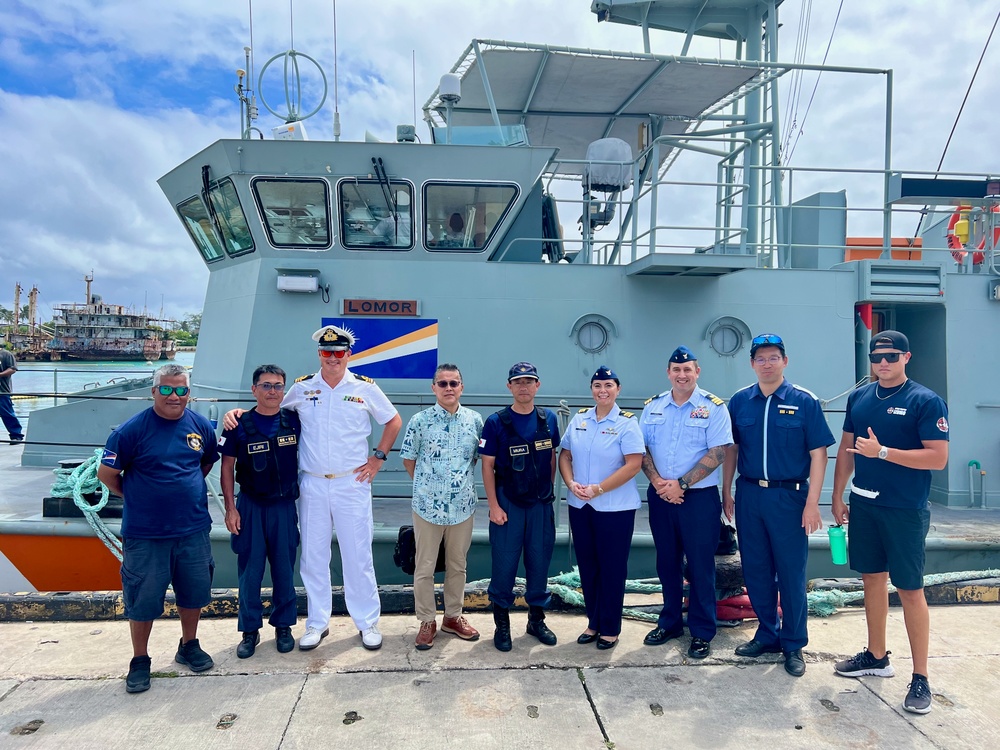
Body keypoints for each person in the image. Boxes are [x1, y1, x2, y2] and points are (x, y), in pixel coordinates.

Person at [249, 325, 402, 652]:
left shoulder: (364, 388)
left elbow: (392, 421)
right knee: (313, 556)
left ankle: (367, 622)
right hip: (313, 483)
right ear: (319, 354)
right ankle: (317, 623)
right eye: (326, 352)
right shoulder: (302, 388)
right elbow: (273, 411)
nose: (332, 358)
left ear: (349, 354)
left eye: (339, 352)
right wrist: (238, 415)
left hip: (352, 481)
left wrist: (377, 458)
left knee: (357, 555)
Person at [831, 330, 949, 715]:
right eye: (878, 357)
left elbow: (937, 458)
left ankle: (921, 676)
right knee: (871, 579)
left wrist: (882, 452)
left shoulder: (926, 401)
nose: (884, 363)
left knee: (910, 589)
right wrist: (836, 495)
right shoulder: (859, 397)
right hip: (864, 506)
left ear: (907, 357)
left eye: (892, 356)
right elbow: (847, 450)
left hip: (905, 509)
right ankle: (877, 656)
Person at [96, 364, 219, 694]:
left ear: (189, 393)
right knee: (143, 599)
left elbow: (205, 461)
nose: (174, 396)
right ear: (153, 392)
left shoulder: (201, 426)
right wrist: (137, 495)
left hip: (192, 529)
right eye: (166, 389)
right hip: (146, 532)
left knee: (193, 594)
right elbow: (107, 475)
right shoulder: (130, 431)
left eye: (181, 390)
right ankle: (140, 660)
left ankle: (188, 645)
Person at [722, 333, 835, 676]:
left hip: (790, 497)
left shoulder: (804, 401)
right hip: (750, 494)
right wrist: (726, 491)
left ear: (785, 361)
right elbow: (732, 450)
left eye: (774, 357)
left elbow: (819, 454)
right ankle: (767, 633)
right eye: (761, 358)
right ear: (752, 364)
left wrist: (813, 502)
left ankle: (793, 643)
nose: (767, 364)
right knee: (755, 570)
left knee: (790, 571)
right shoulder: (740, 401)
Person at [639, 346, 733, 659]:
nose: (682, 375)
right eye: (676, 370)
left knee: (700, 565)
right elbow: (642, 451)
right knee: (666, 562)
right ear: (668, 373)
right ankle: (670, 622)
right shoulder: (653, 407)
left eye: (688, 370)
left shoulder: (714, 407)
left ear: (697, 372)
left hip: (699, 499)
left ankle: (702, 631)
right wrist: (659, 484)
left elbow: (719, 452)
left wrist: (680, 484)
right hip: (660, 495)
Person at [399, 363, 484, 650]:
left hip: (462, 507)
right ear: (433, 387)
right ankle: (427, 621)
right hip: (427, 508)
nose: (449, 388)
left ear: (462, 387)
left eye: (454, 383)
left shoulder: (475, 421)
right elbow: (409, 459)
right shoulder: (419, 421)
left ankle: (453, 617)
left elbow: (476, 458)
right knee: (423, 567)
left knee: (457, 565)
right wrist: (431, 487)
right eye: (443, 383)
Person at [558, 365, 643, 650]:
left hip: (614, 508)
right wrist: (571, 484)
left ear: (618, 389)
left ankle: (609, 627)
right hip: (581, 506)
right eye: (597, 386)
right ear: (592, 390)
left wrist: (598, 489)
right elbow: (565, 455)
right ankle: (593, 621)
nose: (602, 391)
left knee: (612, 567)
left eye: (608, 386)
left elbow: (633, 465)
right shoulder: (580, 419)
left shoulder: (627, 423)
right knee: (588, 566)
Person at [219, 364, 300, 659]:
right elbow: (226, 468)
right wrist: (230, 509)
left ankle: (283, 626)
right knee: (250, 573)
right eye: (266, 385)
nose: (272, 391)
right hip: (250, 506)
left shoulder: (294, 421)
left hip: (283, 506)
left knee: (283, 569)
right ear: (254, 390)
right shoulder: (237, 424)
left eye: (278, 386)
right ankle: (249, 630)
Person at [480, 362, 561, 651]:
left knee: (539, 563)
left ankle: (535, 620)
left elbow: (551, 457)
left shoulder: (548, 418)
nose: (524, 386)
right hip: (508, 504)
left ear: (537, 385)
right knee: (504, 564)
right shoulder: (495, 422)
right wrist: (493, 505)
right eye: (518, 382)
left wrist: (546, 492)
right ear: (509, 387)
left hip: (539, 504)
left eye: (529, 381)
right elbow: (487, 467)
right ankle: (502, 625)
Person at [0, 348, 24, 444]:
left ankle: (16, 435)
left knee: (7, 413)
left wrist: (0, 374)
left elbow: (12, 369)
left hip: (2, 391)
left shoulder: (6, 354)